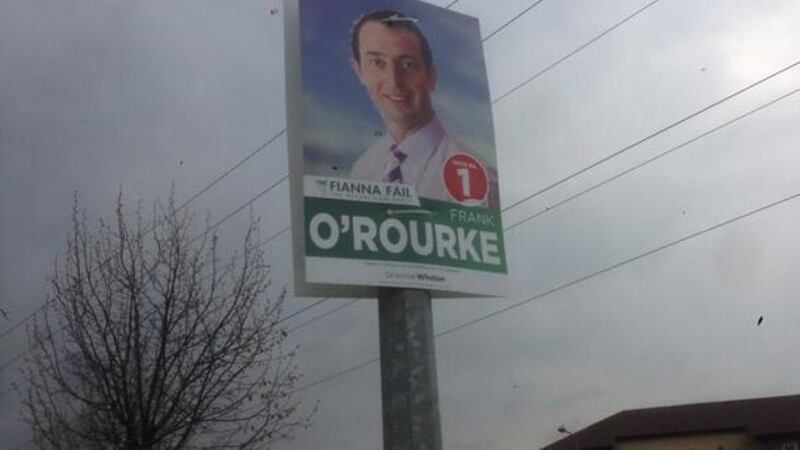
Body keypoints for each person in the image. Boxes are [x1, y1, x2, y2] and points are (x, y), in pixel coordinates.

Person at [348, 9, 498, 208]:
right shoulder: (363, 169)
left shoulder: (477, 182)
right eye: (378, 63)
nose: (394, 82)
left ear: (431, 77)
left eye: (407, 64)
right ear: (359, 71)